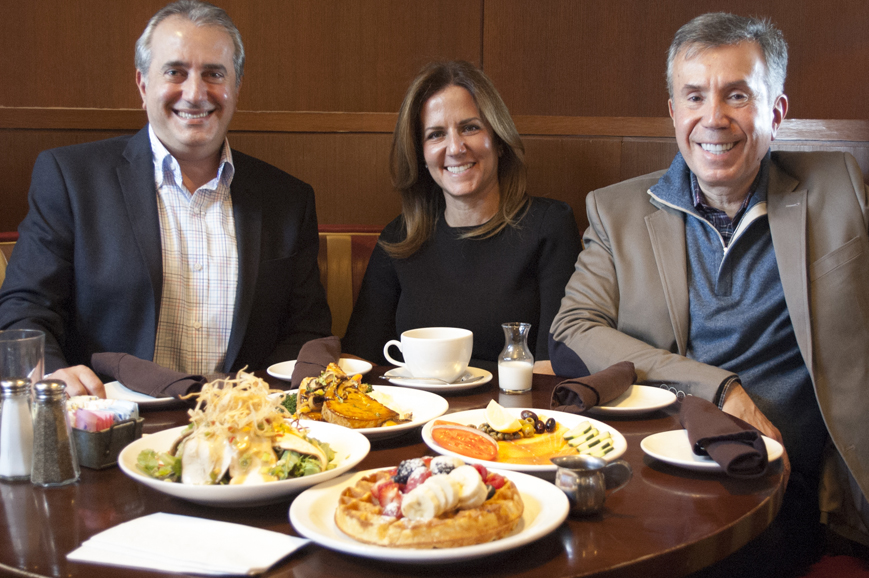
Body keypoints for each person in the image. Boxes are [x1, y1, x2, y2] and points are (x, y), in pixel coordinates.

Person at [549, 12, 869, 575]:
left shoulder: (840, 189)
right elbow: (573, 330)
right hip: (657, 480)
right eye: (694, 96)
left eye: (737, 95)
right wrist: (719, 390)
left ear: (776, 112)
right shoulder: (616, 211)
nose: (713, 118)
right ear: (674, 112)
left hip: (792, 492)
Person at [0, 0, 331, 397]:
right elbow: (24, 310)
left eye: (214, 73)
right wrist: (52, 373)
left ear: (236, 87)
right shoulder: (71, 179)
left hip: (243, 433)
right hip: (110, 425)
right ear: (143, 85)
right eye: (175, 72)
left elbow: (305, 330)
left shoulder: (289, 200)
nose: (195, 93)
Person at [342, 61, 580, 367]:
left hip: (508, 412)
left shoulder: (549, 226)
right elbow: (358, 358)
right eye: (436, 134)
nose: (455, 148)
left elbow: (552, 368)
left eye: (470, 127)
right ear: (420, 154)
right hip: (413, 411)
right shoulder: (399, 239)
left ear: (498, 139)